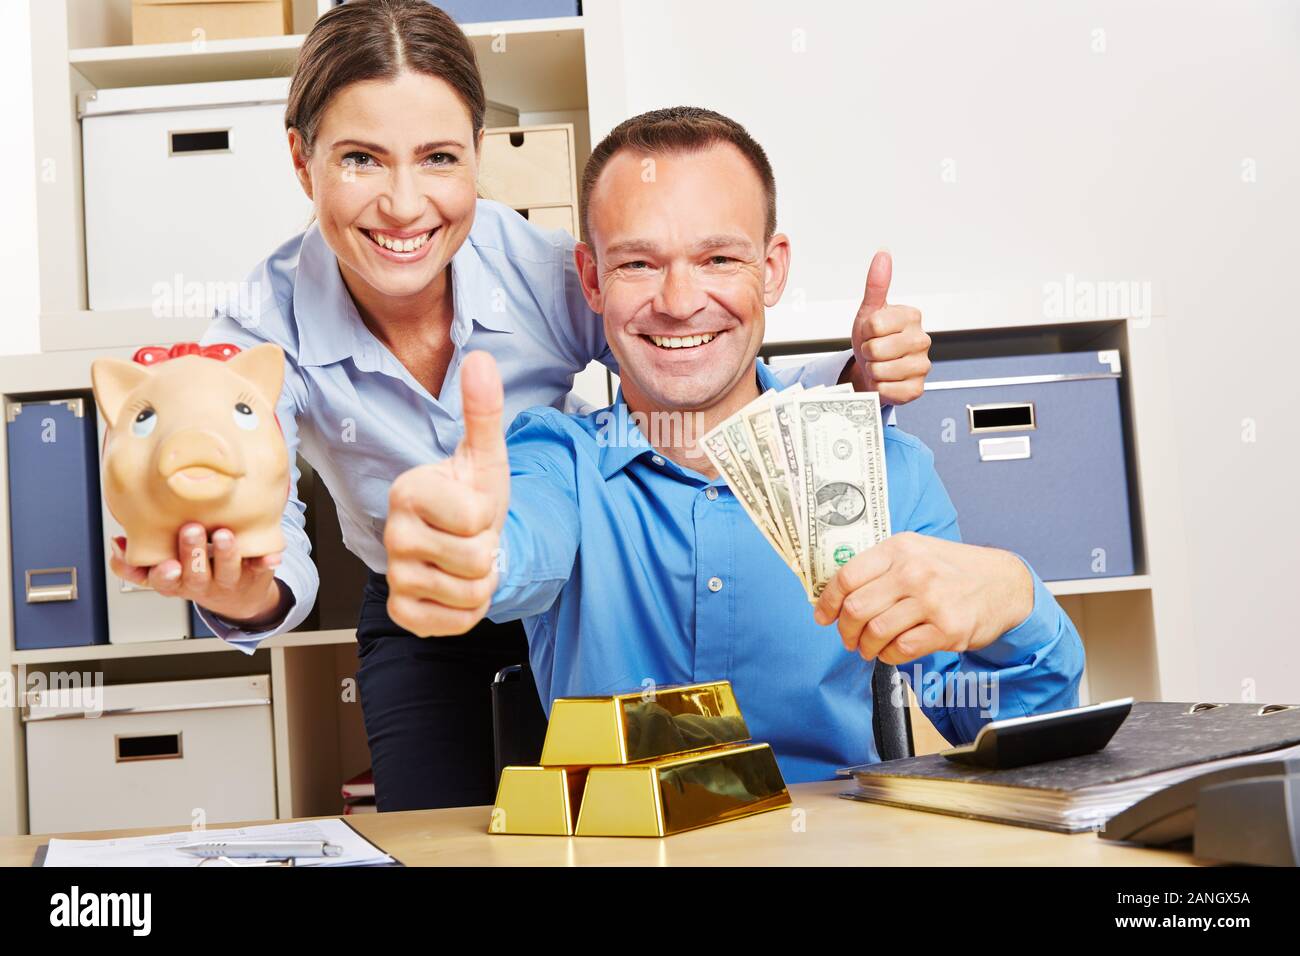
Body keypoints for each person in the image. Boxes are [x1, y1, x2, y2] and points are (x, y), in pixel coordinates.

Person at [104, 3, 933, 809]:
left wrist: (849, 386)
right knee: (440, 830)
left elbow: (689, 363)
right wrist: (237, 586)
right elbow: (270, 538)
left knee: (617, 812)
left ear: (477, 154)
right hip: (419, 599)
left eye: (438, 158)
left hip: (570, 577)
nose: (402, 204)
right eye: (361, 159)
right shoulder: (257, 332)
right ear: (301, 159)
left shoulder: (539, 271)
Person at [383, 107, 1084, 782]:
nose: (681, 300)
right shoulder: (556, 462)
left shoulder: (891, 477)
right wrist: (470, 551)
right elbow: (515, 542)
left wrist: (1017, 603)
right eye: (638, 264)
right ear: (592, 279)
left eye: (718, 258)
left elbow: (1015, 745)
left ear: (772, 270)